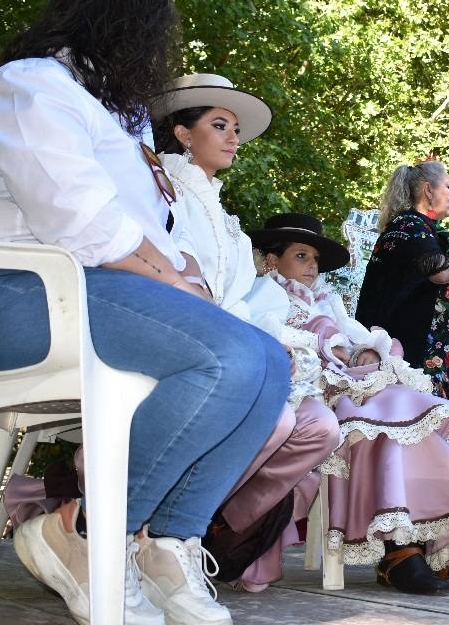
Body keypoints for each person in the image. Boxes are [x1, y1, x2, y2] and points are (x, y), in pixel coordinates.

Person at [0, 0, 288, 625]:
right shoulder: (27, 86)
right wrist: (177, 285)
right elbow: (84, 223)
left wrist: (184, 277)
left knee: (271, 365)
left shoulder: (107, 114)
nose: (156, 58)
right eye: (154, 39)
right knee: (229, 356)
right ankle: (87, 534)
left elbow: (145, 230)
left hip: (76, 295)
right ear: (121, 29)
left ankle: (166, 542)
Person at [250, 215, 449, 594]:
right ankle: (400, 550)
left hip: (353, 386)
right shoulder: (263, 296)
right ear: (270, 260)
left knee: (433, 414)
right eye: (301, 255)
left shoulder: (327, 301)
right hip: (312, 392)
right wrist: (331, 349)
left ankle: (446, 545)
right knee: (386, 420)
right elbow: (276, 342)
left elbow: (357, 336)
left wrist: (366, 351)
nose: (312, 265)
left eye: (315, 257)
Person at [150, 75, 342, 592]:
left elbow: (244, 299)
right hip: (184, 338)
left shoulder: (225, 216)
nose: (233, 137)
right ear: (184, 134)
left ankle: (215, 525)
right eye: (219, 125)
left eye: (235, 128)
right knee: (279, 422)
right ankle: (169, 527)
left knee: (320, 428)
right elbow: (175, 276)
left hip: (232, 338)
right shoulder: (164, 192)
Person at [354, 160, 449, 404]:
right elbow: (440, 271)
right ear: (428, 190)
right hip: (404, 355)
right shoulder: (410, 226)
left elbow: (446, 284)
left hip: (419, 355)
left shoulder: (418, 228)